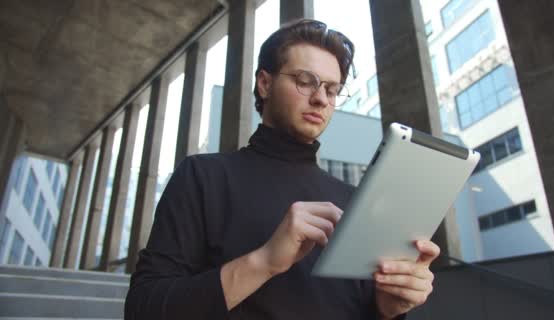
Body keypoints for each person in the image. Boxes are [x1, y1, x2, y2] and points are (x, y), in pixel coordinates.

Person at [125, 19, 439, 320]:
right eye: (305, 81)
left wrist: (386, 308)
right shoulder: (202, 176)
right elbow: (143, 310)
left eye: (331, 90)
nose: (320, 99)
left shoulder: (352, 199)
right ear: (265, 83)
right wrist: (264, 261)